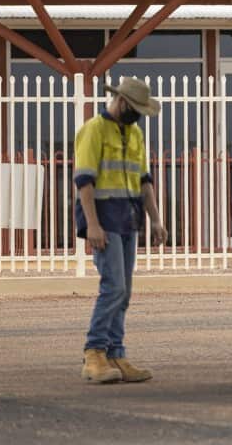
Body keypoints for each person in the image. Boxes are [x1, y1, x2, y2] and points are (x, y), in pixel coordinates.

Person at [76, 76, 167, 384]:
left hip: (129, 220)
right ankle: (95, 353)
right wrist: (92, 225)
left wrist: (155, 219)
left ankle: (116, 353)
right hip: (104, 221)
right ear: (123, 102)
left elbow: (144, 180)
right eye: (137, 108)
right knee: (113, 286)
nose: (139, 115)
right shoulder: (94, 130)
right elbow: (84, 182)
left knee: (124, 292)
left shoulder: (135, 133)